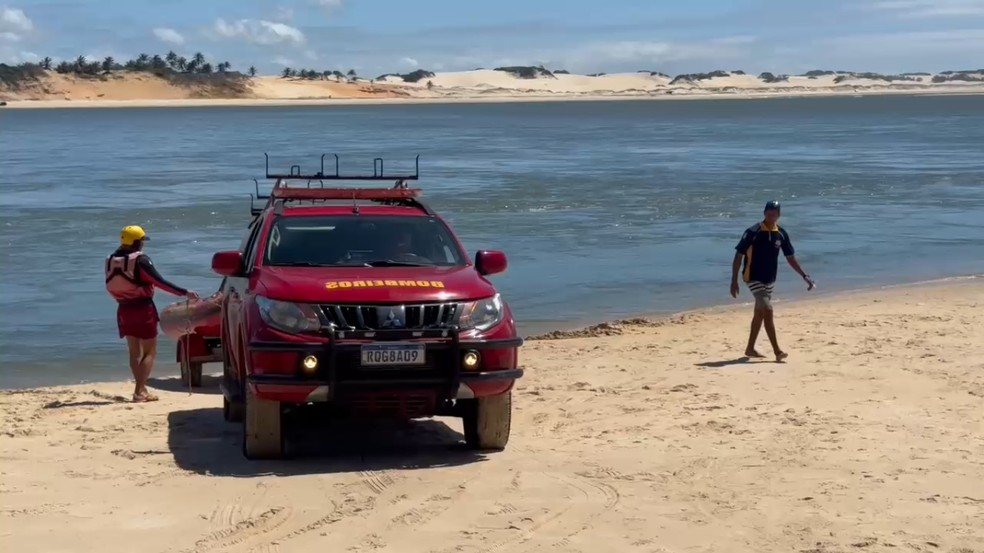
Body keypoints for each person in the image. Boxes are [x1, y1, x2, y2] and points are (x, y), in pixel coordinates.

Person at [105, 225, 198, 402]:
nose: (143, 245)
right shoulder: (140, 260)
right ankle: (139, 392)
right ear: (136, 242)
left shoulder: (111, 259)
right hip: (143, 308)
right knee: (150, 352)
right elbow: (159, 282)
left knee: (134, 352)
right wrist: (184, 292)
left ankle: (141, 389)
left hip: (123, 308)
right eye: (142, 241)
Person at [730, 201, 815, 362]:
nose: (771, 217)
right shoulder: (753, 232)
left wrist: (805, 276)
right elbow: (738, 256)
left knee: (760, 313)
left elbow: (790, 258)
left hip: (770, 279)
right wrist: (734, 281)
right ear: (764, 213)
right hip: (752, 277)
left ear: (779, 215)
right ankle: (777, 351)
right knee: (768, 309)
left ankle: (750, 348)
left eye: (774, 215)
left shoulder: (781, 234)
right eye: (768, 214)